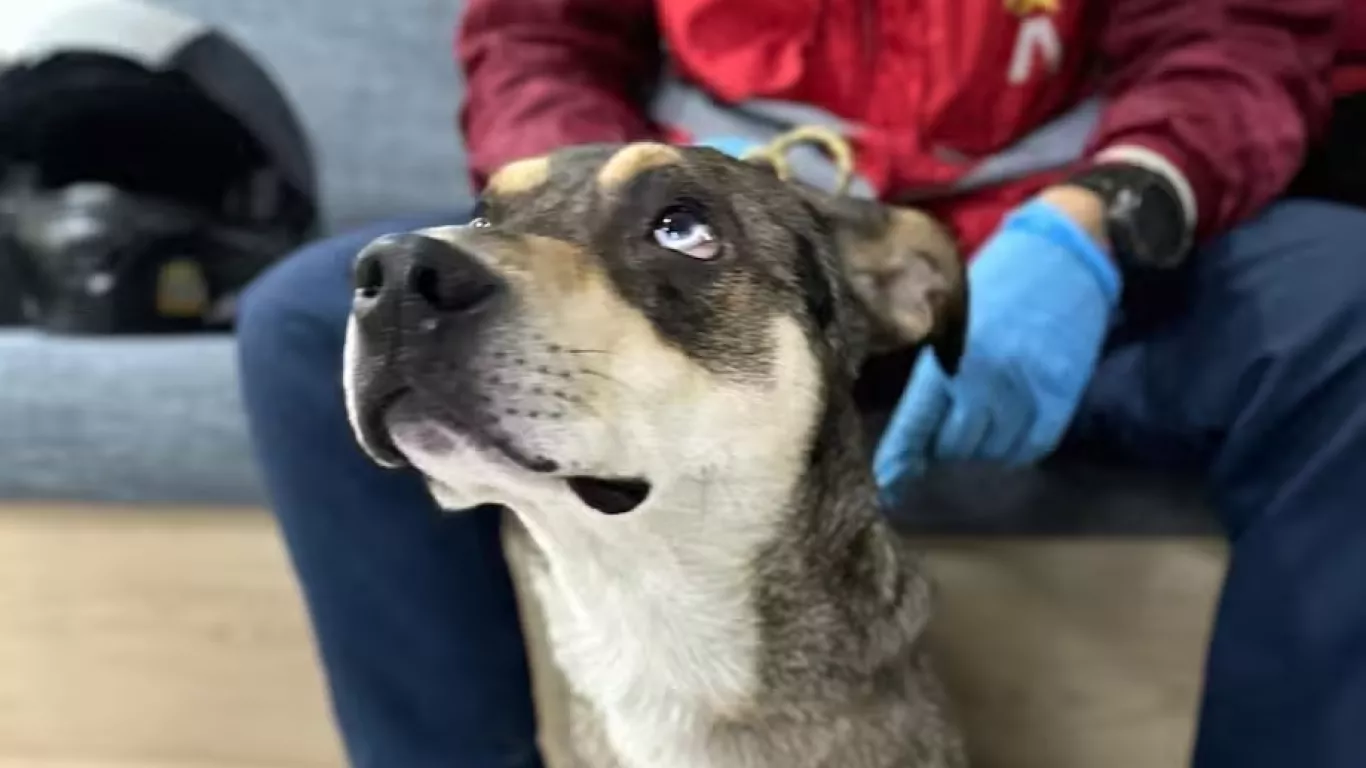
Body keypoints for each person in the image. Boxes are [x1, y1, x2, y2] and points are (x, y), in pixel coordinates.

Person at [235, 1, 1366, 766]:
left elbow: (1244, 34)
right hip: (702, 236)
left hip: (1061, 235)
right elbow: (537, 34)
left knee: (1351, 307)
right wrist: (626, 210)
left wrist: (1101, 222)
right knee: (301, 321)